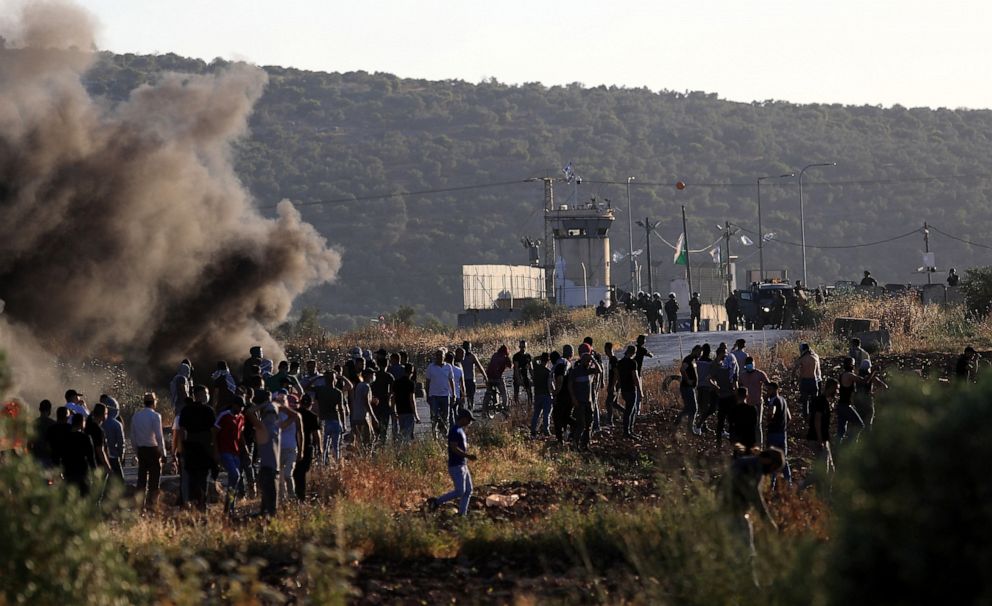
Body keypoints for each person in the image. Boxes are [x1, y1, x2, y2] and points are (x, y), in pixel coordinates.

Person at [723, 448, 784, 555]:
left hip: (725, 506)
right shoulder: (755, 467)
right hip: (734, 510)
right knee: (745, 549)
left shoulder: (744, 461)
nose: (771, 472)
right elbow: (754, 495)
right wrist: (767, 520)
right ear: (769, 460)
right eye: (773, 468)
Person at [426, 409, 477, 516]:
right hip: (456, 465)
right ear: (463, 418)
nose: (469, 423)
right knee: (460, 491)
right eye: (468, 420)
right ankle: (436, 502)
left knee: (468, 490)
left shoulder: (460, 430)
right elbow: (453, 448)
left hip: (463, 464)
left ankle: (462, 515)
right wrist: (468, 456)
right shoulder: (455, 431)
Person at [179, 389, 217, 511]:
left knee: (192, 476)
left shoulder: (186, 410)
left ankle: (193, 503)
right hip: (205, 446)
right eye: (206, 393)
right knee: (203, 476)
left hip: (190, 446)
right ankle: (202, 504)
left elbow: (181, 430)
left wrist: (181, 447)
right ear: (201, 395)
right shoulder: (208, 410)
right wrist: (215, 449)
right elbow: (213, 431)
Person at [131, 393, 166, 509]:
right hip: (153, 450)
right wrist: (163, 451)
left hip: (141, 450)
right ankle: (152, 505)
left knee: (141, 479)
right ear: (154, 402)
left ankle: (139, 506)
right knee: (154, 480)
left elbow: (133, 436)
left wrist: (136, 451)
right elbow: (159, 436)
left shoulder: (136, 416)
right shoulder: (155, 416)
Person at [214, 395, 246, 514]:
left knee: (234, 480)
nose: (241, 409)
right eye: (239, 406)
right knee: (235, 474)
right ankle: (229, 504)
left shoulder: (241, 417)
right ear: (234, 405)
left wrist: (244, 447)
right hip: (225, 450)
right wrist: (216, 451)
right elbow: (215, 432)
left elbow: (240, 434)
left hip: (235, 451)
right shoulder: (225, 416)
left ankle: (230, 506)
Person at [569, 345, 602, 450]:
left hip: (589, 402)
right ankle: (575, 443)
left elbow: (599, 370)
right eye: (587, 361)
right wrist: (573, 399)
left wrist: (592, 359)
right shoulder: (576, 371)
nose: (588, 363)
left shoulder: (589, 371)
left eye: (589, 361)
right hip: (580, 402)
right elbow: (570, 385)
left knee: (589, 424)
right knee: (581, 424)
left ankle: (585, 444)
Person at [806, 377, 837, 485]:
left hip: (823, 439)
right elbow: (817, 420)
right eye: (836, 389)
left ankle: (827, 496)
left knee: (830, 470)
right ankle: (801, 486)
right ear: (831, 388)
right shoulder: (821, 401)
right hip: (818, 439)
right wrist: (820, 439)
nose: (836, 392)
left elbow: (810, 417)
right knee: (824, 470)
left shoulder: (821, 401)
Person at [316, 369, 351, 464]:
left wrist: (316, 377)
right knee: (336, 447)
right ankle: (337, 465)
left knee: (324, 446)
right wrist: (343, 424)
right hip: (335, 420)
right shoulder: (337, 392)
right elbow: (341, 409)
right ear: (334, 380)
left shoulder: (320, 390)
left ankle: (323, 465)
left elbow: (305, 388)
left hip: (323, 421)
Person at [763, 383, 791, 488]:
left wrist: (768, 421)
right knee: (784, 459)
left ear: (775, 389)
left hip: (773, 434)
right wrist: (783, 426)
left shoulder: (774, 401)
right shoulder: (783, 400)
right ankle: (789, 483)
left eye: (769, 389)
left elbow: (771, 413)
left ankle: (771, 485)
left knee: (772, 459)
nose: (768, 391)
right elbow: (789, 417)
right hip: (782, 434)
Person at [293, 395, 321, 501]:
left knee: (295, 471)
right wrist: (320, 447)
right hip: (307, 446)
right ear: (310, 404)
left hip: (294, 444)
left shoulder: (294, 413)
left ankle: (295, 493)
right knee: (303, 470)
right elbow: (316, 434)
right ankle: (301, 495)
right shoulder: (313, 416)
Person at [62, 413, 97, 496]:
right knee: (85, 497)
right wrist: (95, 472)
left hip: (68, 472)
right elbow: (91, 458)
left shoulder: (65, 437)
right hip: (82, 472)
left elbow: (61, 455)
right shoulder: (85, 438)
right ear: (81, 423)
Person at [712, 346, 739, 447]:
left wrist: (716, 387)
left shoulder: (724, 365)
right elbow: (710, 378)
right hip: (726, 397)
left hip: (726, 396)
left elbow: (710, 378)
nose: (726, 355)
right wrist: (716, 387)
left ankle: (725, 442)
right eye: (725, 353)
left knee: (726, 421)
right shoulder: (721, 366)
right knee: (726, 421)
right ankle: (725, 443)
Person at [614, 345, 643, 439]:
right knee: (630, 411)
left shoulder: (620, 362)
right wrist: (640, 390)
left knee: (631, 409)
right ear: (633, 353)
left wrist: (620, 386)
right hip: (631, 389)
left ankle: (630, 430)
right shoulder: (632, 363)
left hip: (624, 389)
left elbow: (617, 376)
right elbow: (635, 377)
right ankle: (627, 431)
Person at [425, 349, 456, 436]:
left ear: (444, 356)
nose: (439, 357)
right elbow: (427, 382)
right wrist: (427, 395)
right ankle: (435, 434)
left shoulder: (448, 367)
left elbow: (451, 380)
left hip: (445, 395)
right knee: (434, 416)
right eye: (437, 355)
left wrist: (454, 394)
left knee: (445, 416)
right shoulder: (431, 367)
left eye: (441, 355)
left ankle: (445, 434)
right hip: (434, 395)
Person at [836, 358, 867, 443]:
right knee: (860, 425)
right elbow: (863, 381)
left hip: (841, 405)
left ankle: (838, 448)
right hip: (846, 406)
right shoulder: (849, 375)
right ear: (850, 365)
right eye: (853, 364)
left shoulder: (843, 375)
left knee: (841, 431)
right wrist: (873, 373)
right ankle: (850, 443)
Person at [674, 345, 701, 435]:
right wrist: (688, 380)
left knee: (689, 408)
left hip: (690, 387)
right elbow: (682, 369)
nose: (700, 354)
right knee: (693, 408)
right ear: (695, 351)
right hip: (686, 387)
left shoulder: (693, 360)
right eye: (699, 352)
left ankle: (678, 423)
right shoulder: (688, 359)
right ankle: (689, 428)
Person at [854, 360, 888, 430]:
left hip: (858, 402)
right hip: (868, 401)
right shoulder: (871, 377)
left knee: (859, 424)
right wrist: (874, 394)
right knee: (868, 423)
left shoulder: (856, 377)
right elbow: (884, 386)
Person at [792, 343, 822, 421]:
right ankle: (815, 417)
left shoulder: (802, 359)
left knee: (805, 402)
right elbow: (818, 372)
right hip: (814, 381)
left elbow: (794, 370)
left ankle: (806, 417)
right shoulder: (815, 357)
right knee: (814, 401)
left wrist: (793, 379)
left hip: (805, 381)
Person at [352, 369, 379, 452]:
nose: (373, 377)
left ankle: (359, 454)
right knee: (369, 438)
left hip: (356, 415)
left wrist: (372, 399)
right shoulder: (366, 386)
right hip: (363, 416)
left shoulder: (359, 385)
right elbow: (365, 402)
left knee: (359, 439)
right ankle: (366, 456)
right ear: (368, 376)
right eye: (372, 375)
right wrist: (373, 417)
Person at [694, 344, 718, 434]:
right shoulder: (711, 362)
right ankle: (701, 425)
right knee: (707, 408)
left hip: (699, 386)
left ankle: (702, 425)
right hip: (708, 387)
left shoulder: (698, 362)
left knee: (701, 407)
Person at [100, 396, 125, 483]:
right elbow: (121, 442)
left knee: (102, 482)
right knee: (120, 481)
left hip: (101, 456)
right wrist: (121, 454)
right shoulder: (117, 424)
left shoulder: (99, 423)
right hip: (113, 456)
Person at [371, 362, 396, 445]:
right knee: (384, 424)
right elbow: (393, 390)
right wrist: (389, 395)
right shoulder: (389, 376)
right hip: (384, 403)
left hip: (376, 402)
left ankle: (376, 439)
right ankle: (382, 440)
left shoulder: (375, 375)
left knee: (376, 422)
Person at [394, 363, 420, 440]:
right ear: (411, 372)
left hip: (400, 410)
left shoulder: (397, 382)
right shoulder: (411, 383)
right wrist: (416, 415)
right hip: (408, 411)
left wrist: (394, 410)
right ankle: (405, 448)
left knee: (402, 430)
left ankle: (401, 448)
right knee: (408, 434)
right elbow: (412, 400)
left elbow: (393, 397)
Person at [461, 341, 487, 411]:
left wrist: (485, 375)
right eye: (467, 347)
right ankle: (462, 413)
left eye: (469, 347)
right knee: (462, 398)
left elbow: (479, 366)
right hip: (462, 380)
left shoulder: (472, 356)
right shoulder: (459, 356)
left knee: (470, 398)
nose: (468, 349)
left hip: (470, 380)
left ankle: (470, 411)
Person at [30, 399, 56, 467]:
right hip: (49, 458)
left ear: (39, 409)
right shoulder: (53, 424)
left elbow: (29, 443)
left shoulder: (34, 423)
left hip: (36, 457)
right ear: (49, 410)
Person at [512, 340, 533, 407]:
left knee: (529, 392)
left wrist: (533, 377)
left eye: (524, 347)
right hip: (517, 374)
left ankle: (530, 405)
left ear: (526, 347)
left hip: (525, 375)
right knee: (516, 392)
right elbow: (516, 369)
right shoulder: (516, 356)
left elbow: (531, 368)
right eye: (521, 347)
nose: (523, 348)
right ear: (519, 347)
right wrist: (518, 379)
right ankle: (516, 405)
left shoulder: (528, 356)